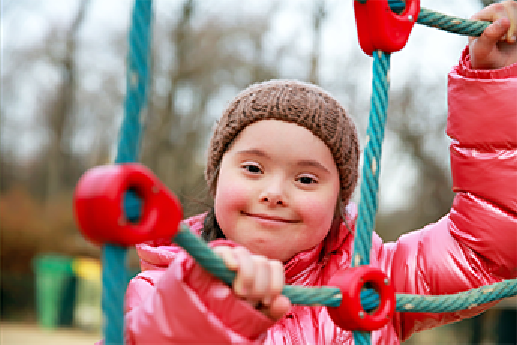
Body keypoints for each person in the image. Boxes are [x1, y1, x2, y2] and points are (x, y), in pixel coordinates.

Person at [123, 1, 517, 343]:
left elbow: (487, 245)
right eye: (253, 168)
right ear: (217, 176)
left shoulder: (375, 277)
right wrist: (204, 303)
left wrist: (496, 79)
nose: (274, 192)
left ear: (338, 201)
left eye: (306, 179)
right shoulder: (162, 287)